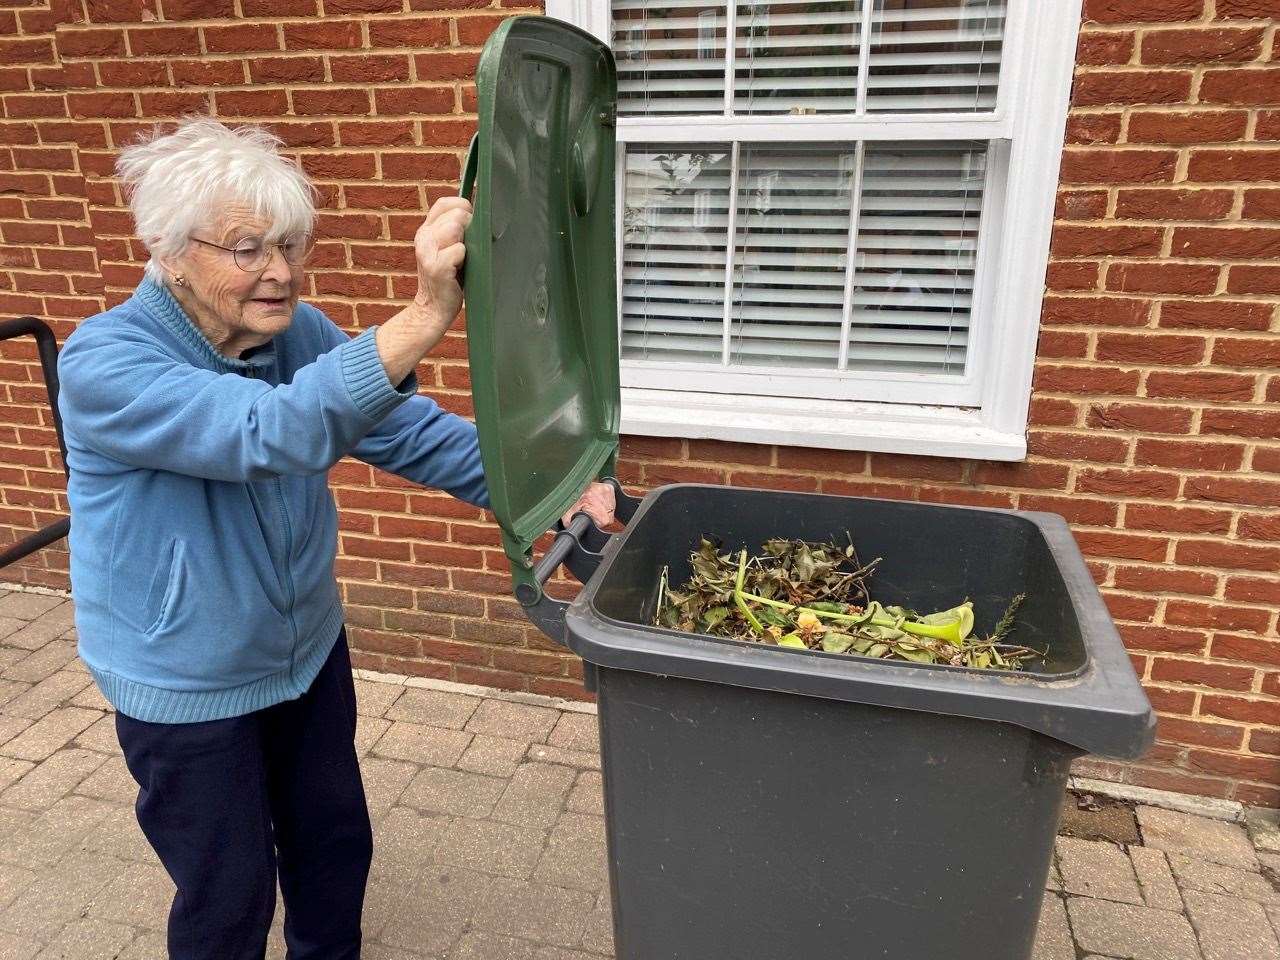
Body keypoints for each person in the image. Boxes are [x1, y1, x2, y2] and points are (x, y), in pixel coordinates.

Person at [56, 117, 614, 960]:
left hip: (304, 649)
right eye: (247, 249)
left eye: (289, 244)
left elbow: (411, 434)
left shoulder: (294, 333)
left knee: (332, 845)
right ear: (169, 252)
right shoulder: (105, 365)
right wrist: (426, 312)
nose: (278, 272)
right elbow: (263, 432)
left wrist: (559, 486)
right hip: (184, 675)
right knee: (227, 891)